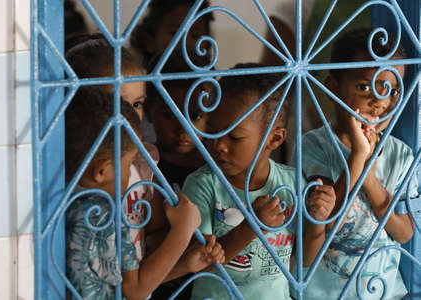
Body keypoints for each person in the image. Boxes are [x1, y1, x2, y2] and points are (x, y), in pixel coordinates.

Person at [182, 63, 335, 299]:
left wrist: (317, 221)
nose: (219, 145)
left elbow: (304, 261)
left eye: (234, 137)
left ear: (274, 138)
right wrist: (253, 226)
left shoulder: (292, 184)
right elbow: (201, 263)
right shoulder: (202, 185)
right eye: (213, 131)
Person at [65, 87, 224, 300]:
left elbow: (120, 283)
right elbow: (135, 290)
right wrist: (182, 231)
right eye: (129, 164)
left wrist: (184, 265)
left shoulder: (66, 201)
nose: (131, 174)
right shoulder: (107, 213)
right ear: (102, 170)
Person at [298, 28, 417, 299]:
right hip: (323, 294)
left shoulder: (400, 155)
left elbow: (404, 232)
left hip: (386, 293)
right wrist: (358, 157)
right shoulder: (313, 147)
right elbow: (326, 226)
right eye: (365, 86)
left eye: (392, 90)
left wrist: (370, 180)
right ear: (332, 88)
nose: (380, 102)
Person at [66, 38, 156, 262]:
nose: (131, 118)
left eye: (137, 104)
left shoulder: (143, 163)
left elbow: (156, 227)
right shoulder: (74, 177)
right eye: (120, 105)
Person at [144, 50, 213, 299]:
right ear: (149, 110)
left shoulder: (222, 166)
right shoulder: (146, 169)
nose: (183, 126)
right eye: (170, 114)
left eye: (195, 115)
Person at [130, 0, 214, 65]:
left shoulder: (209, 84)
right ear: (149, 41)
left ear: (207, 43)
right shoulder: (140, 85)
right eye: (175, 34)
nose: (185, 43)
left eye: (195, 36)